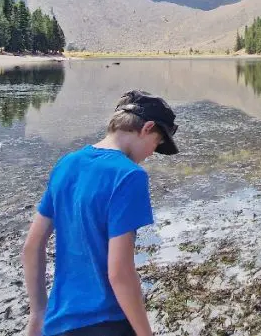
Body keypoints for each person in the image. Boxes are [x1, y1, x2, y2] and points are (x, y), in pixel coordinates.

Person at [22, 90, 180, 336]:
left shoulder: (67, 163)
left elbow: (32, 246)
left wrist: (38, 313)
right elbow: (119, 272)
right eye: (157, 144)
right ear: (147, 128)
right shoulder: (128, 176)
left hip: (57, 323)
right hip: (106, 322)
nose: (151, 153)